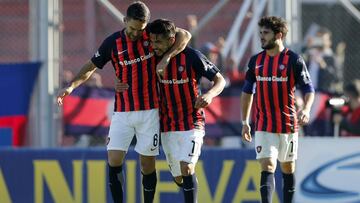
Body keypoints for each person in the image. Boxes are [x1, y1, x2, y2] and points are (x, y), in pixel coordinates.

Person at [57, 2, 191, 203]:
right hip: (123, 111)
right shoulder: (112, 43)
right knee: (114, 159)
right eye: (132, 29)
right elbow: (91, 66)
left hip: (150, 111)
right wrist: (71, 86)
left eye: (140, 30)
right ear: (125, 21)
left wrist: (166, 58)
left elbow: (185, 35)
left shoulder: (151, 35)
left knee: (147, 164)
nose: (136, 34)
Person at [116, 19, 226, 203]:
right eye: (151, 41)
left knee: (187, 168)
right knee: (179, 176)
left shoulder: (192, 57)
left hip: (192, 122)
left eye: (158, 42)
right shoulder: (150, 57)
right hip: (167, 126)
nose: (153, 45)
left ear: (171, 40)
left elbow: (220, 80)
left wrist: (210, 95)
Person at [240, 16, 315, 203]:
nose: (261, 37)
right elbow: (247, 92)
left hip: (288, 124)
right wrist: (245, 122)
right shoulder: (256, 61)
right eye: (260, 33)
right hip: (264, 124)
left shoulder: (294, 60)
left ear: (279, 35)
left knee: (288, 168)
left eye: (266, 33)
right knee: (268, 165)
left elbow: (308, 89)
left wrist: (306, 109)